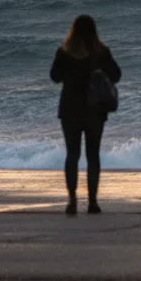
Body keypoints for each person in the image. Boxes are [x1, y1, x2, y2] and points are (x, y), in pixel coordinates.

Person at [49, 15, 121, 216]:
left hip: (70, 109)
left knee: (72, 154)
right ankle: (93, 201)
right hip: (95, 110)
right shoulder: (101, 52)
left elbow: (54, 77)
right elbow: (117, 75)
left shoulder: (64, 52)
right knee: (93, 155)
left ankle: (72, 200)